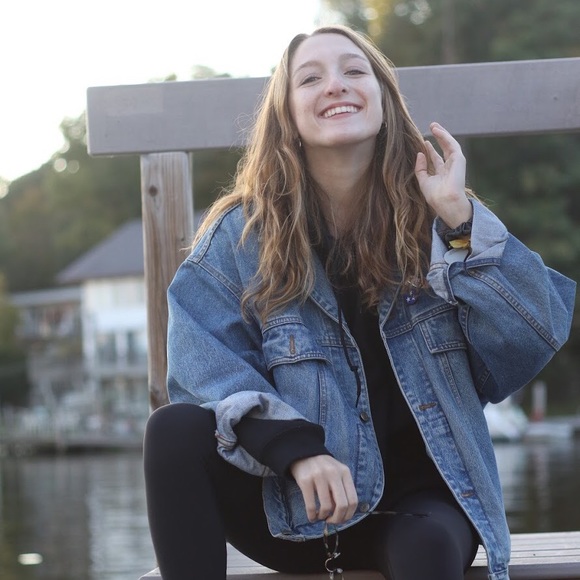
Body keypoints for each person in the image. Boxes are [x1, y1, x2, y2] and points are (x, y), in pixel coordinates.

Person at [143, 24, 576, 580]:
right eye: (310, 78)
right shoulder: (240, 234)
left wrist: (460, 220)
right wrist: (295, 449)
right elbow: (202, 367)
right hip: (296, 507)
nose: (335, 85)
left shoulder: (440, 218)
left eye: (354, 71)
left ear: (383, 98)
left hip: (421, 503)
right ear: (287, 115)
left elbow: (530, 339)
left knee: (425, 547)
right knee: (173, 431)